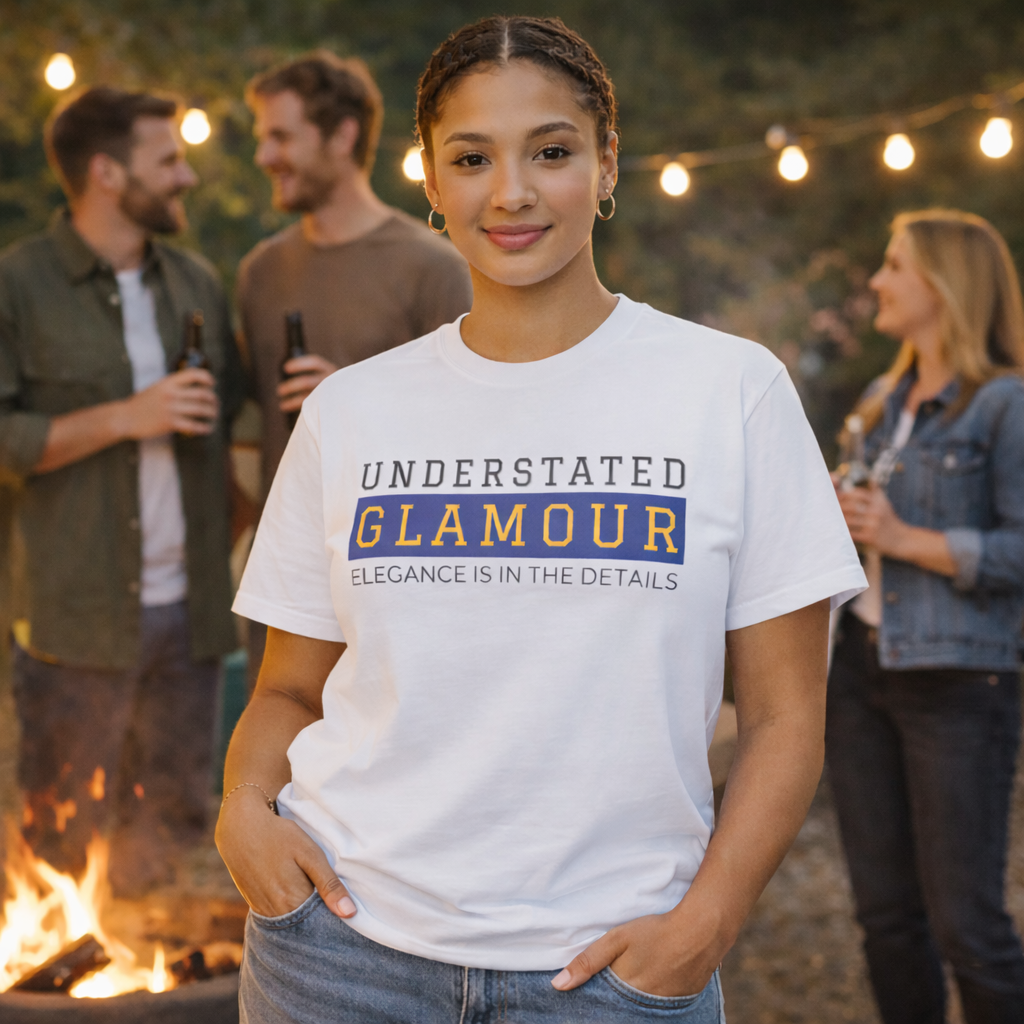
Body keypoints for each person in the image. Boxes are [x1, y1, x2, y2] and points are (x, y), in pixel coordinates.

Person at [217, 16, 865, 1023]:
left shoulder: (728, 391)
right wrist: (240, 817)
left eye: (551, 152)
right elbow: (287, 688)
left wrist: (707, 923)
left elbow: (786, 719)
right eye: (470, 158)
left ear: (607, 163)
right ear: (429, 179)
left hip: (611, 975)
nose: (510, 191)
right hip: (339, 959)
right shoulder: (351, 412)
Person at [0, 87, 246, 893]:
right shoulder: (19, 285)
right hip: (74, 619)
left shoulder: (198, 282)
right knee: (58, 850)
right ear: (107, 172)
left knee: (167, 841)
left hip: (193, 619)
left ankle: (162, 1005)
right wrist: (127, 417)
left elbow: (234, 418)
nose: (187, 177)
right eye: (168, 159)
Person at [828, 210, 1024, 1024]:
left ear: (944, 285)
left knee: (967, 926)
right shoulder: (881, 401)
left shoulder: (1004, 407)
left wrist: (907, 537)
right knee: (884, 919)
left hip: (956, 681)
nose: (878, 280)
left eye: (894, 265)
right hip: (861, 668)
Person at [237, 50, 472, 689]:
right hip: (285, 589)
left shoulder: (433, 269)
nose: (264, 157)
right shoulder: (260, 273)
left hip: (399, 597)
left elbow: (484, 437)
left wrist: (362, 403)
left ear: (342, 135)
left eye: (280, 136)